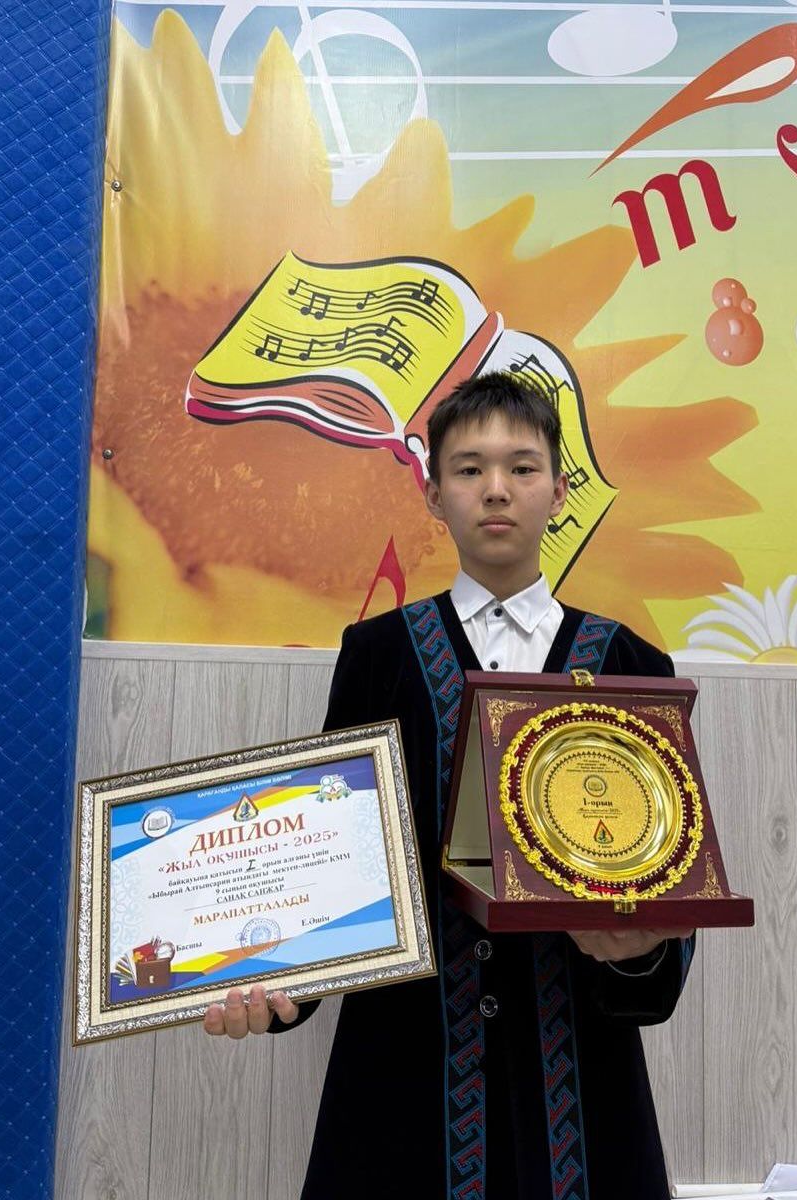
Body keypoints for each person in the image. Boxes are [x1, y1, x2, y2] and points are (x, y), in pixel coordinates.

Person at [204, 371, 695, 1200]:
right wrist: (270, 976)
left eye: (522, 467)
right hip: (401, 1089)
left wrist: (642, 947)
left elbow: (670, 894)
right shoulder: (377, 654)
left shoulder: (632, 665)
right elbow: (324, 864)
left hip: (582, 1091)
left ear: (559, 491)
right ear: (433, 493)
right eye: (469, 469)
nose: (496, 489)